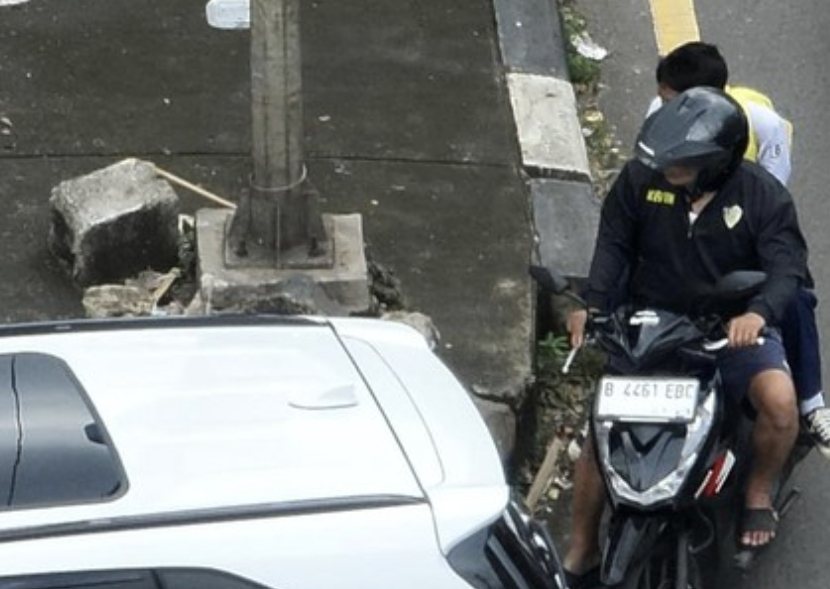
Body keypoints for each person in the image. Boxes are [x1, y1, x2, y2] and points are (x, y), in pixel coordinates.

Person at [563, 87, 808, 587]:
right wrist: (592, 306)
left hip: (730, 332)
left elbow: (786, 270)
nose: (667, 170)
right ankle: (583, 547)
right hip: (648, 329)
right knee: (600, 436)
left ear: (718, 162)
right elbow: (612, 245)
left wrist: (757, 314)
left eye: (682, 162)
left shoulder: (763, 197)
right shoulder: (640, 181)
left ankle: (758, 494)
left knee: (781, 404)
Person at [645, 41, 830, 458]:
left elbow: (773, 192)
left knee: (794, 293)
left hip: (744, 227)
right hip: (691, 220)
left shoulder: (763, 124)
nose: (665, 114)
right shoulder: (658, 114)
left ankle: (812, 403)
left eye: (674, 104)